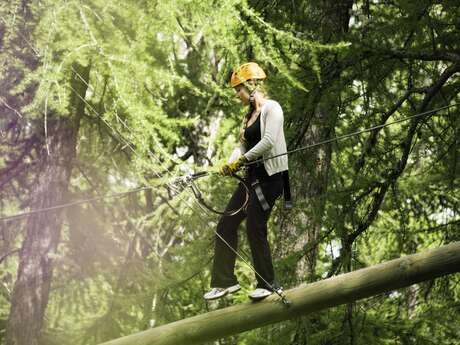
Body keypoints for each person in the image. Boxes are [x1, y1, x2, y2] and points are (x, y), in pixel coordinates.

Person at [204, 62, 289, 301]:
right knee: (225, 224)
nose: (237, 95)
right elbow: (242, 143)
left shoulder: (272, 109)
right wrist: (232, 161)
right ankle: (224, 282)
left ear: (252, 87)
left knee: (254, 226)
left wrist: (240, 161)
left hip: (270, 179)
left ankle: (268, 284)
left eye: (239, 90)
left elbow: (269, 141)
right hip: (251, 180)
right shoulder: (249, 116)